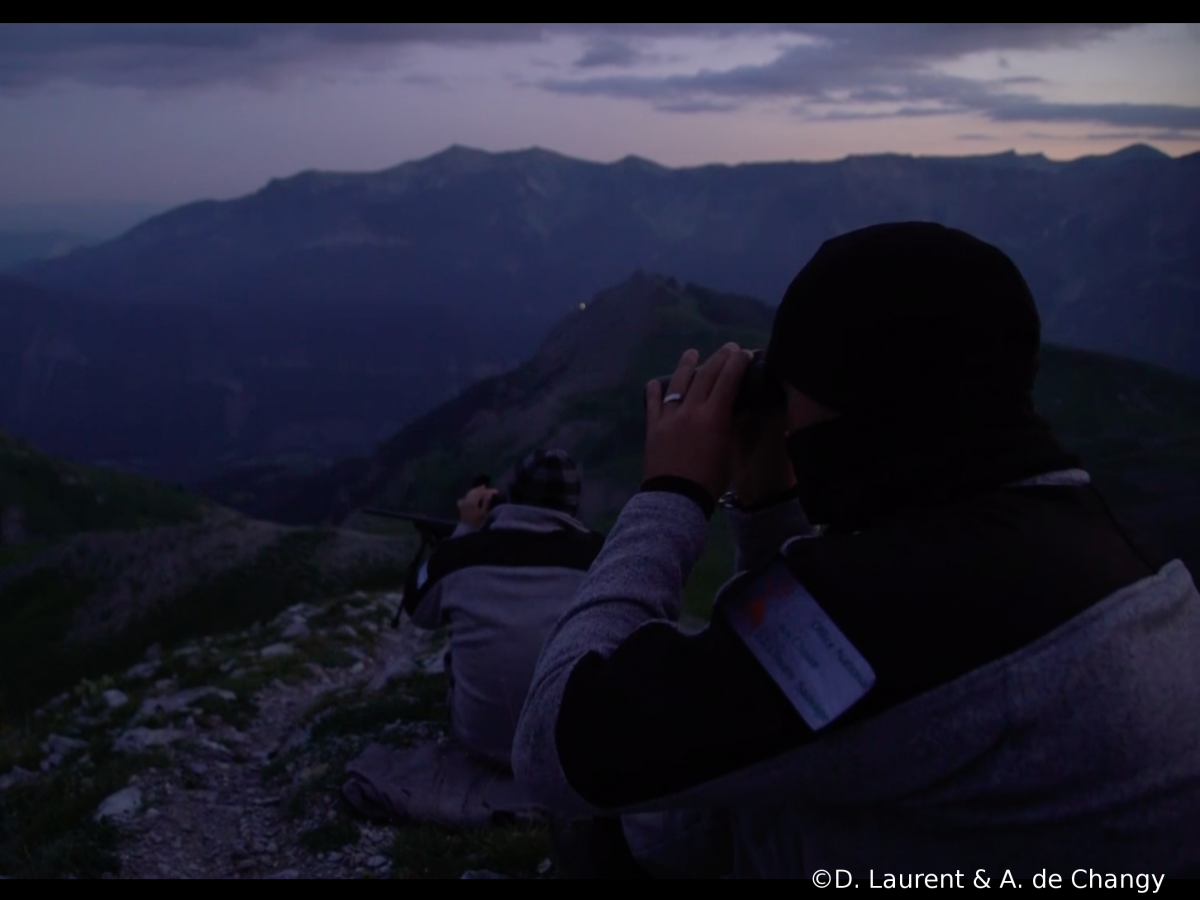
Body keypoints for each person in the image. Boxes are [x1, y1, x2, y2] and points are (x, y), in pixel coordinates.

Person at [511, 222, 1200, 878]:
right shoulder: (1070, 528)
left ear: (859, 401)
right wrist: (767, 504)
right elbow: (796, 694)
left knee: (633, 823)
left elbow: (555, 746)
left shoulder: (908, 605)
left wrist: (670, 493)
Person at [401, 449, 605, 771]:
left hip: (479, 742)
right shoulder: (602, 559)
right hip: (568, 751)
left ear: (509, 497)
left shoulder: (460, 555)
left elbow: (416, 604)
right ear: (573, 504)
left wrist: (464, 530)